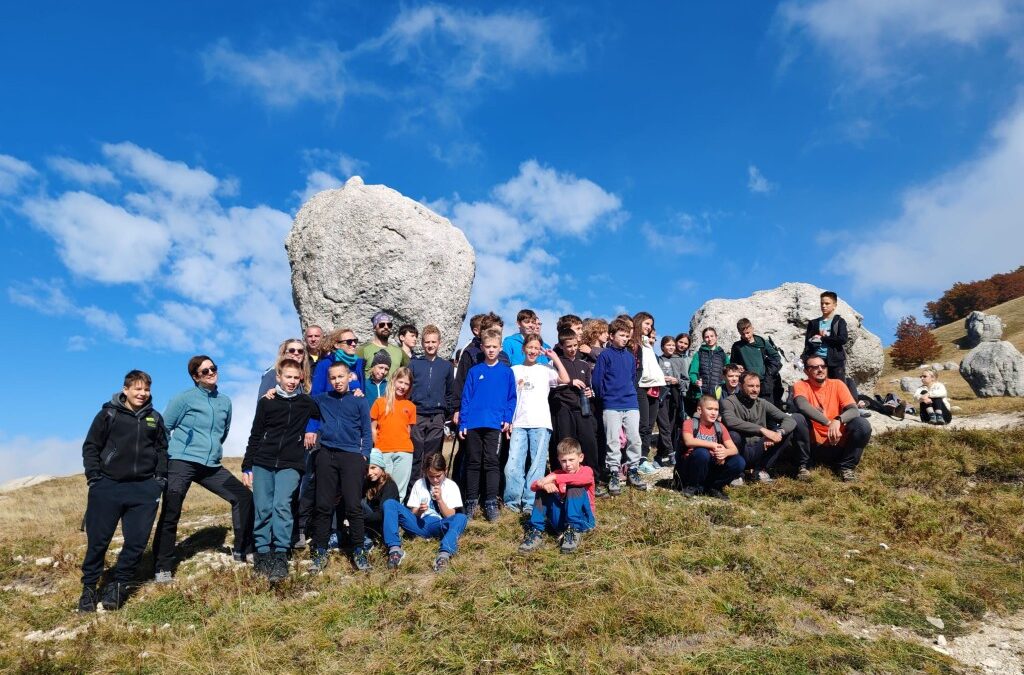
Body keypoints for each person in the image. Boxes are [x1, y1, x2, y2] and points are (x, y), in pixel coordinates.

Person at [153, 356, 253, 582]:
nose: (210, 373)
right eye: (204, 370)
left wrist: (213, 448)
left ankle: (243, 550)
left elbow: (223, 432)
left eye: (213, 368)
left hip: (211, 465)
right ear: (195, 376)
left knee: (243, 497)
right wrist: (168, 458)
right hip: (181, 461)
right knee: (171, 510)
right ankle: (162, 567)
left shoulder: (225, 401)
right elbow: (163, 429)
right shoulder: (184, 399)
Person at [79, 370, 168, 612]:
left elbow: (162, 450)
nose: (142, 393)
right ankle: (88, 588)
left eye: (146, 389)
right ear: (125, 390)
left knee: (137, 543)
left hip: (143, 490)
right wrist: (95, 478)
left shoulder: (155, 418)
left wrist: (158, 480)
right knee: (98, 542)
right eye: (137, 389)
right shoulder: (107, 414)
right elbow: (91, 447)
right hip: (107, 487)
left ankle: (118, 585)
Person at [241, 359, 319, 582]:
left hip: (291, 463)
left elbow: (325, 410)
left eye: (296, 378)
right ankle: (263, 553)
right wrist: (247, 465)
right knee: (263, 507)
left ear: (301, 379)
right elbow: (255, 434)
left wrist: (354, 388)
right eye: (288, 377)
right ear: (278, 377)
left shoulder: (306, 402)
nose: (292, 381)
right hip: (262, 461)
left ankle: (280, 555)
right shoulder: (267, 402)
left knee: (282, 505)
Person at [306, 361, 373, 572]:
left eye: (341, 377)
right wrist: (273, 391)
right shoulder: (322, 400)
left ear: (349, 376)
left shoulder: (360, 401)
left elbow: (366, 431)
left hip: (352, 455)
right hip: (326, 455)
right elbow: (297, 401)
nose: (337, 381)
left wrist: (364, 455)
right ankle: (320, 551)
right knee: (324, 506)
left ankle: (359, 551)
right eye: (333, 378)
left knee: (353, 506)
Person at [504, 335, 570, 514]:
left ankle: (530, 502)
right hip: (518, 423)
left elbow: (565, 379)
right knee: (513, 464)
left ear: (540, 350)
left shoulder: (545, 369)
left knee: (537, 465)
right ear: (524, 349)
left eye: (536, 348)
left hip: (540, 422)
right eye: (530, 347)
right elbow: (508, 397)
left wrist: (554, 357)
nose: (533, 351)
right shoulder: (514, 369)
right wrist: (508, 420)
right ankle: (512, 502)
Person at [458, 328, 517, 521]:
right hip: (474, 423)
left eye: (494, 347)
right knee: (473, 463)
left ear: (500, 348)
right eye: (488, 347)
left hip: (495, 424)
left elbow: (511, 398)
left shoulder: (507, 372)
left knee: (492, 462)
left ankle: (491, 502)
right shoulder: (475, 371)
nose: (491, 350)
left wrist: (508, 419)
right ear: (482, 347)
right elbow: (466, 398)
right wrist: (463, 423)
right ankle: (471, 502)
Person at [790, 354, 872, 482]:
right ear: (806, 371)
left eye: (823, 366)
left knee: (862, 424)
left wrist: (838, 420)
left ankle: (846, 467)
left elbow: (853, 410)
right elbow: (802, 405)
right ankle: (803, 466)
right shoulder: (801, 385)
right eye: (814, 367)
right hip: (813, 446)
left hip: (837, 442)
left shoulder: (837, 384)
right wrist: (829, 423)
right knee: (797, 419)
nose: (820, 369)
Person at [382, 452, 468, 573]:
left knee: (461, 518)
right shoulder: (419, 484)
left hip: (440, 524)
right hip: (420, 523)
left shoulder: (451, 486)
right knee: (390, 503)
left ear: (445, 470)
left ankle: (444, 555)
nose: (435, 479)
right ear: (426, 472)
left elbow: (450, 516)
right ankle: (395, 550)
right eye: (431, 476)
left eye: (438, 475)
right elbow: (412, 515)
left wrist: (440, 500)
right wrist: (419, 510)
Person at [593, 317, 649, 496]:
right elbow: (597, 380)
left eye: (627, 336)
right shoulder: (605, 355)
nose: (625, 338)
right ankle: (614, 473)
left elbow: (633, 378)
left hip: (630, 402)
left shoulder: (630, 357)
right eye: (621, 335)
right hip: (611, 404)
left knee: (634, 437)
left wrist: (630, 392)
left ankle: (633, 470)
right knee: (613, 441)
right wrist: (606, 397)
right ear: (611, 336)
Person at [518, 438, 596, 555]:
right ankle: (536, 531)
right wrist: (544, 485)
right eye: (564, 461)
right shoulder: (557, 473)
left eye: (571, 460)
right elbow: (534, 486)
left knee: (575, 487)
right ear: (559, 460)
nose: (568, 464)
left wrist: (554, 479)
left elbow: (583, 480)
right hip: (560, 522)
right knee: (542, 490)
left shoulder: (586, 471)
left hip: (583, 521)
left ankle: (574, 530)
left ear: (580, 458)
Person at [720, 371, 797, 483]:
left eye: (757, 386)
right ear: (740, 386)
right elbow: (730, 420)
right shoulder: (729, 402)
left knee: (786, 432)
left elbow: (788, 419)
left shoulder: (762, 403)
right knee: (733, 435)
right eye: (751, 386)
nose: (755, 390)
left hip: (760, 447)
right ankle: (737, 474)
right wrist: (763, 430)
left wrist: (777, 433)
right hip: (741, 448)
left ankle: (760, 471)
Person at [408, 324, 456, 490]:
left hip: (437, 415)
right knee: (416, 453)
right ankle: (413, 490)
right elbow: (408, 389)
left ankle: (429, 489)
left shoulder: (446, 366)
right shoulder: (414, 364)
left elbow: (450, 392)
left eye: (433, 342)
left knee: (432, 455)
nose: (430, 345)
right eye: (427, 342)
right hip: (417, 414)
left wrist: (446, 415)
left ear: (439, 343)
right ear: (422, 343)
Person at [549, 328, 600, 474]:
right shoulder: (555, 363)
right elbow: (551, 387)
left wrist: (591, 392)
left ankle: (592, 477)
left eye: (574, 345)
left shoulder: (584, 364)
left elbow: (589, 385)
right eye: (568, 346)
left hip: (583, 408)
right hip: (563, 409)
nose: (572, 349)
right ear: (561, 346)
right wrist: (570, 382)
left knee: (589, 442)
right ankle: (563, 479)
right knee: (565, 444)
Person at [677, 395, 744, 500]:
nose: (714, 413)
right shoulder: (690, 423)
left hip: (711, 465)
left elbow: (734, 449)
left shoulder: (719, 427)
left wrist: (725, 453)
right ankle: (692, 486)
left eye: (716, 410)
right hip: (690, 467)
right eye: (709, 409)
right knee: (702, 453)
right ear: (699, 410)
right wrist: (713, 445)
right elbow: (689, 441)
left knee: (739, 461)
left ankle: (714, 487)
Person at [371, 366, 416, 496]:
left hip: (404, 451)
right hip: (383, 451)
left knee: (399, 490)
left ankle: (396, 514)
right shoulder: (379, 403)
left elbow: (408, 430)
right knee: (381, 487)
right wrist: (377, 449)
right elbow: (373, 428)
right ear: (393, 381)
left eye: (406, 384)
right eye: (400, 382)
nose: (402, 386)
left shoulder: (411, 406)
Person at [632, 312, 667, 473]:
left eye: (650, 325)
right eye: (646, 323)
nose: (648, 327)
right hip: (641, 386)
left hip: (655, 387)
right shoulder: (634, 343)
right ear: (638, 323)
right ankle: (636, 459)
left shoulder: (647, 343)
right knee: (643, 424)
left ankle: (644, 458)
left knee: (649, 426)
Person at [729, 318, 782, 403]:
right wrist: (737, 367)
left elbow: (776, 357)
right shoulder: (737, 347)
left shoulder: (762, 343)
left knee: (767, 408)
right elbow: (732, 364)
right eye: (743, 334)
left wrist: (769, 372)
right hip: (748, 384)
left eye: (748, 333)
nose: (746, 336)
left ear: (752, 329)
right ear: (739, 333)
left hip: (765, 382)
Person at [655, 335, 687, 466]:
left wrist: (676, 381)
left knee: (671, 426)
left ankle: (659, 456)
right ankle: (670, 453)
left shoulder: (680, 360)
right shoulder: (658, 360)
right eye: (668, 345)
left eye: (673, 345)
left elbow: (686, 382)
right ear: (662, 347)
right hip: (661, 396)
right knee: (664, 426)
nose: (671, 347)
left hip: (674, 396)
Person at [804, 291, 849, 382]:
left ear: (834, 305)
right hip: (817, 362)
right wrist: (804, 359)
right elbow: (807, 345)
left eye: (827, 303)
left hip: (835, 363)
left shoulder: (839, 321)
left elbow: (843, 339)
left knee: (837, 388)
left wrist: (824, 338)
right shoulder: (813, 323)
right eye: (822, 303)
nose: (823, 306)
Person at [309, 328, 366, 396]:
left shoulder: (358, 363)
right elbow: (316, 394)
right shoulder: (324, 364)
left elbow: (362, 390)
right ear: (337, 345)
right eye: (349, 341)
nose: (353, 344)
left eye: (355, 341)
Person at [362, 449, 399, 547]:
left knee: (360, 504)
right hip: (369, 521)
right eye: (366, 469)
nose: (369, 472)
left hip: (382, 525)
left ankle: (369, 538)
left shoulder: (389, 485)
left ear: (381, 467)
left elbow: (382, 514)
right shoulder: (368, 482)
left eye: (373, 467)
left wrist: (359, 519)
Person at [358, 312, 409, 380]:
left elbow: (410, 371)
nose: (386, 327)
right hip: (370, 390)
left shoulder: (399, 351)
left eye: (389, 325)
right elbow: (355, 374)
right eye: (382, 325)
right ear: (374, 327)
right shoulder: (363, 349)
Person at [689, 327, 729, 404]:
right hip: (701, 393)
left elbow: (728, 373)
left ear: (716, 337)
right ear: (703, 339)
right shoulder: (698, 354)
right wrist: (695, 381)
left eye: (712, 336)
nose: (709, 339)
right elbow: (693, 372)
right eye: (706, 337)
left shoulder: (723, 355)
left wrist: (723, 384)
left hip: (719, 393)